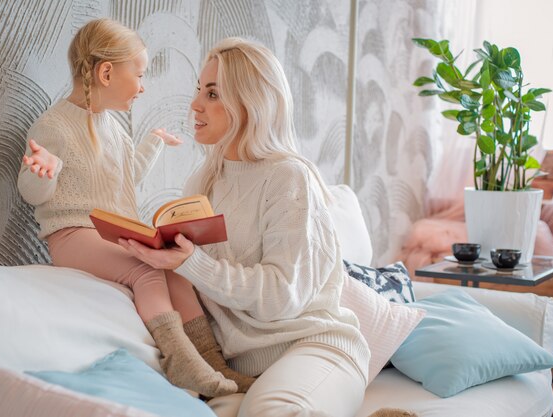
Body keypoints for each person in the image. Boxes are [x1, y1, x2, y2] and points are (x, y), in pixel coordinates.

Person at [118, 37, 370, 417]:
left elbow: (282, 296)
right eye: (199, 90)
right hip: (240, 368)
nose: (196, 105)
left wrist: (191, 264)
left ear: (251, 103)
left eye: (214, 94)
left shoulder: (288, 177)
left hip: (311, 346)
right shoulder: (203, 181)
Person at [17, 18, 255, 397]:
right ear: (107, 73)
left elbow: (125, 179)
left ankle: (213, 362)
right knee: (145, 270)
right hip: (73, 234)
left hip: (114, 230)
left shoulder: (116, 128)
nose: (143, 87)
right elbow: (33, 192)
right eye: (139, 75)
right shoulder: (54, 127)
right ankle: (179, 357)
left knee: (174, 266)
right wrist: (44, 171)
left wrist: (153, 143)